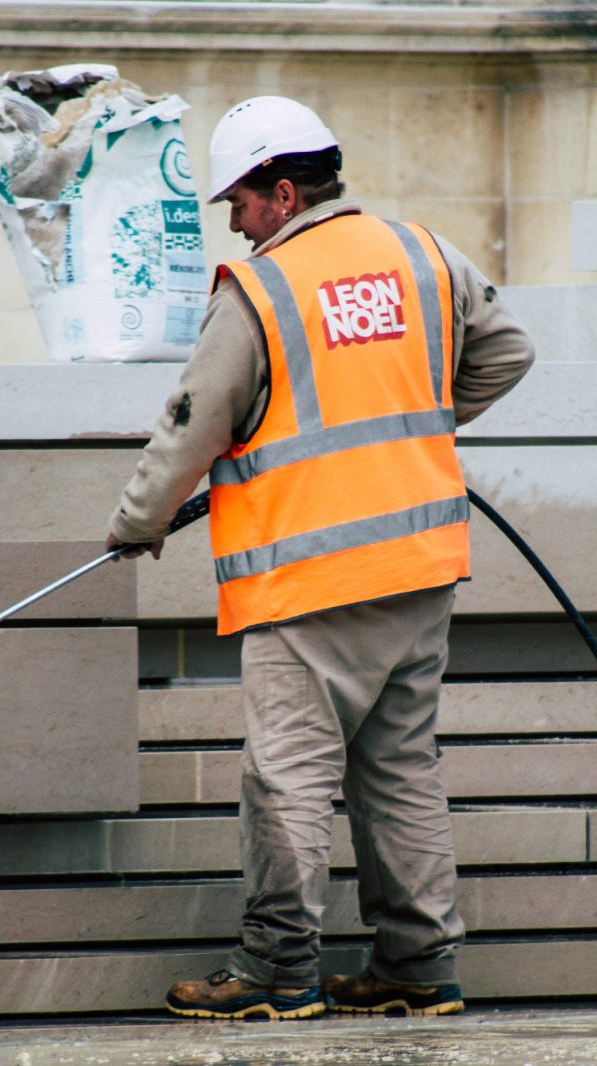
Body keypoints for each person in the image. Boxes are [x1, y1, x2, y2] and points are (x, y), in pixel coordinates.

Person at [104, 95, 535, 1021]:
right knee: (400, 767)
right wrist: (416, 428)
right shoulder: (422, 252)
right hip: (418, 561)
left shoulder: (261, 290)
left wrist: (139, 522)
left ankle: (274, 970)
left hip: (307, 577)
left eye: (242, 203)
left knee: (287, 774)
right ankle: (418, 966)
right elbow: (508, 349)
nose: (234, 221)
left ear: (285, 192)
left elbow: (190, 425)